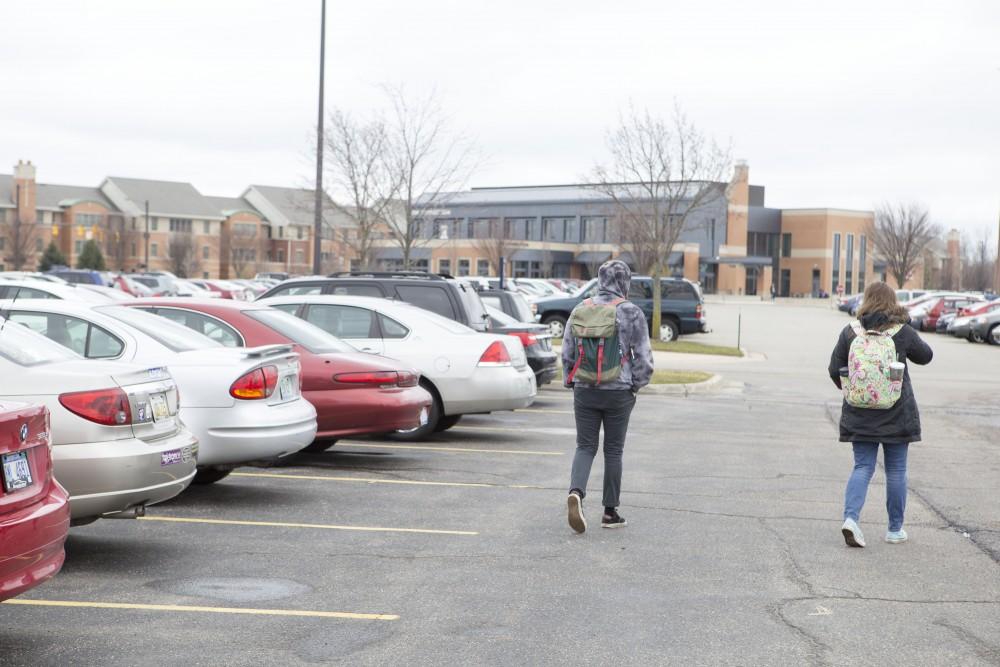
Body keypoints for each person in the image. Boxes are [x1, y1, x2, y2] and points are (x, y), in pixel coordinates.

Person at [828, 282, 933, 547]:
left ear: (866, 300)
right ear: (892, 302)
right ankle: (895, 529)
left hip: (859, 412)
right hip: (897, 413)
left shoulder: (850, 332)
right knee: (896, 470)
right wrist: (908, 325)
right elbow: (926, 356)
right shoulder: (902, 331)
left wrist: (855, 391)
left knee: (863, 466)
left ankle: (851, 519)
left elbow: (833, 368)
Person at [563, 260, 654, 533]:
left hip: (584, 389)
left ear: (600, 280)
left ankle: (576, 492)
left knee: (585, 446)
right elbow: (644, 358)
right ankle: (610, 513)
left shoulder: (581, 309)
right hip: (618, 390)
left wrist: (572, 381)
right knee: (613, 450)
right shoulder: (631, 312)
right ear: (625, 282)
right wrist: (636, 384)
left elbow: (568, 352)